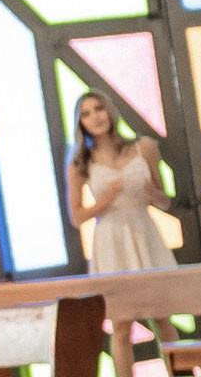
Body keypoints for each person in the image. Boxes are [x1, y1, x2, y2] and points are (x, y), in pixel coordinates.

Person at [64, 92, 172, 274]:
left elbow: (165, 202)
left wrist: (151, 192)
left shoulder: (144, 147)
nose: (95, 117)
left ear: (110, 110)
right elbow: (77, 217)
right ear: (80, 122)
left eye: (99, 108)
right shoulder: (80, 162)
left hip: (144, 231)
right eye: (86, 114)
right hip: (109, 238)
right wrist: (106, 199)